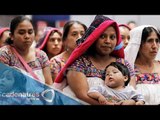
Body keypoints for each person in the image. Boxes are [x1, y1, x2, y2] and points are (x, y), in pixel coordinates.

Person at [54, 15, 136, 105]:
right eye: (102, 36)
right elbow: (83, 95)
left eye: (112, 37)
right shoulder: (79, 63)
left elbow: (132, 93)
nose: (108, 41)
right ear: (94, 38)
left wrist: (131, 102)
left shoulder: (123, 63)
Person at [0, 15, 53, 86]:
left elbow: (49, 85)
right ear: (11, 36)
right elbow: (4, 86)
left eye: (30, 32)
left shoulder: (41, 56)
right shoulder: (4, 54)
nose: (27, 36)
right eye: (21, 33)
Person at [124, 25, 160, 105]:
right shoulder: (128, 69)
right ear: (138, 44)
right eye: (150, 41)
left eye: (157, 41)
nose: (155, 46)